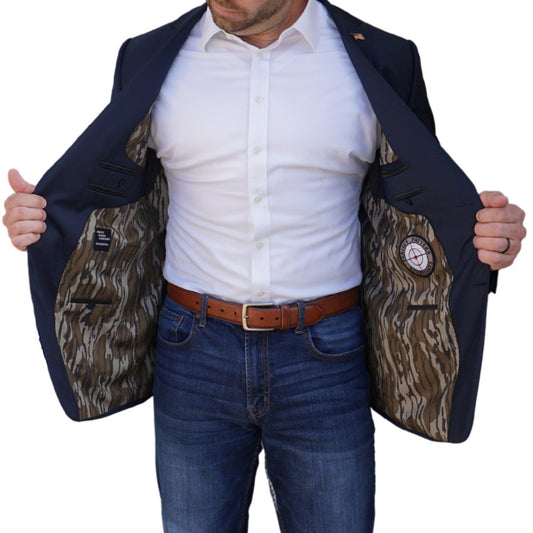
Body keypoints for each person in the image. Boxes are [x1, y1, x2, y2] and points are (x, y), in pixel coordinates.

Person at [2, 1, 527, 532]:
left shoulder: (387, 60)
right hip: (192, 352)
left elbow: (424, 209)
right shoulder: (145, 58)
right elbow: (111, 195)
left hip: (328, 357)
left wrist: (486, 240)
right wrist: (45, 221)